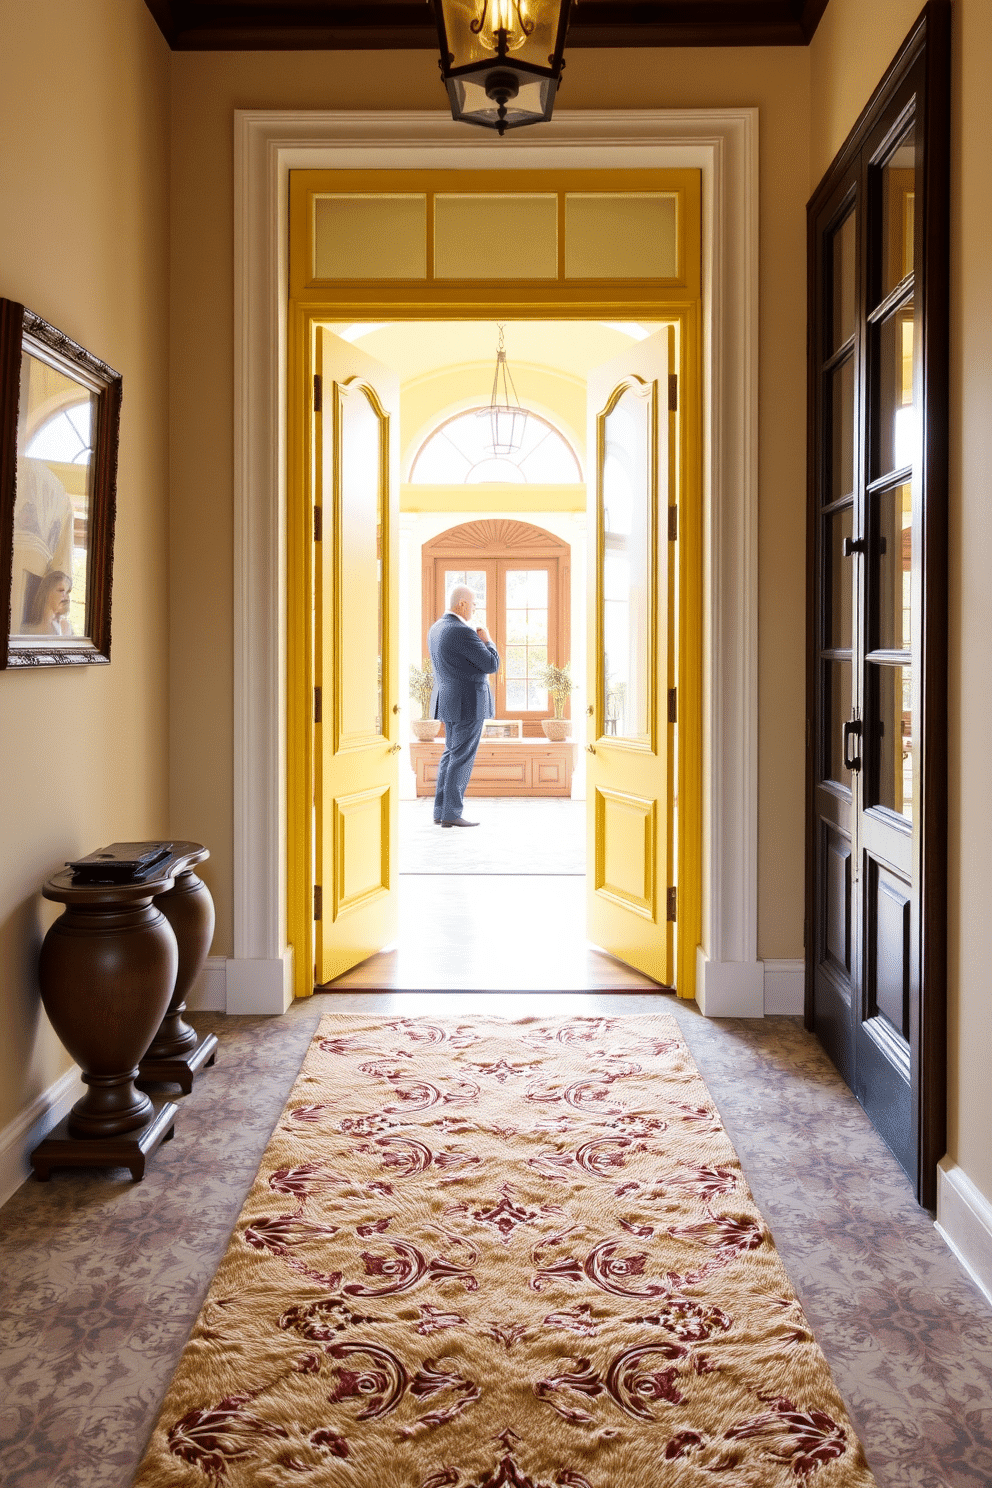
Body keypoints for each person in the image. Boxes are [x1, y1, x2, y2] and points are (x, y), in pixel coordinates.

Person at [428, 583, 500, 827]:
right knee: (460, 758)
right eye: (474, 604)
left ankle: (441, 811)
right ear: (462, 604)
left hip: (448, 702)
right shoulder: (462, 631)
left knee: (450, 755)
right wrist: (488, 640)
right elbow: (491, 664)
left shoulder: (437, 628)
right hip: (468, 703)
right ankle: (451, 813)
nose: (475, 608)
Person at [22, 569, 73, 636]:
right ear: (47, 593)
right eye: (61, 590)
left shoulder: (64, 627)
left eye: (67, 592)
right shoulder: (27, 630)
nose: (66, 597)